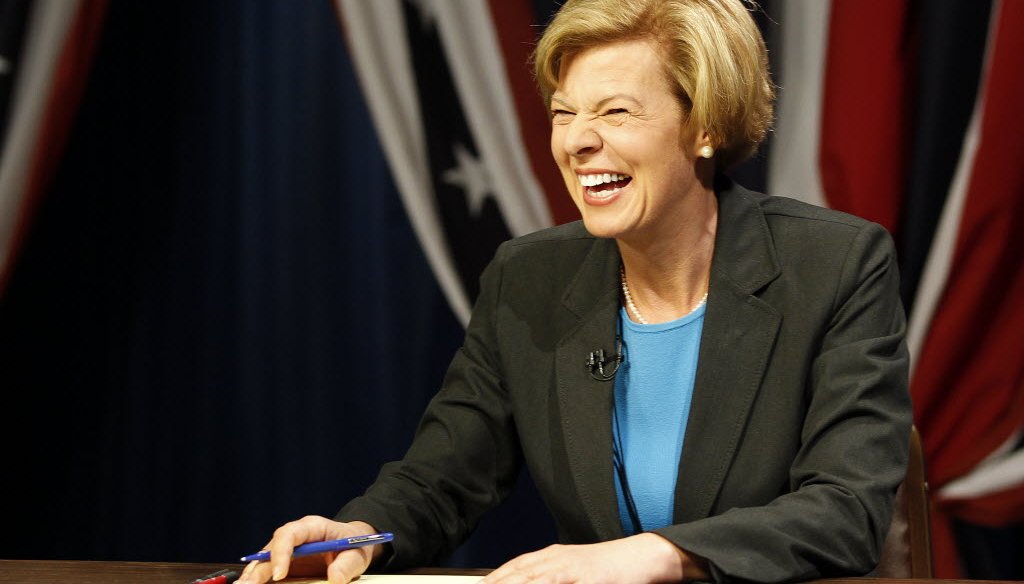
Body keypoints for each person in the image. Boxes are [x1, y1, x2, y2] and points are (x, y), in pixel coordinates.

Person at [237, 1, 911, 582]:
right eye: (564, 112)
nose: (578, 141)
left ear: (704, 126)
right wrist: (356, 533)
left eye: (616, 112)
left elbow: (845, 509)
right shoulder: (528, 279)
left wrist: (654, 555)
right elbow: (443, 480)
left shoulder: (835, 266)